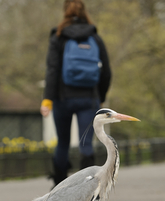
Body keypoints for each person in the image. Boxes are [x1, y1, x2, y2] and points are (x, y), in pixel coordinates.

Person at [40, 0, 112, 187]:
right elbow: (107, 72)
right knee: (85, 143)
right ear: (84, 12)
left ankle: (59, 187)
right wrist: (100, 97)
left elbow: (52, 70)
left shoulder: (58, 37)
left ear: (65, 12)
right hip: (89, 99)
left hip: (63, 98)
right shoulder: (95, 37)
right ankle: (87, 187)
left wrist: (48, 99)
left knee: (62, 142)